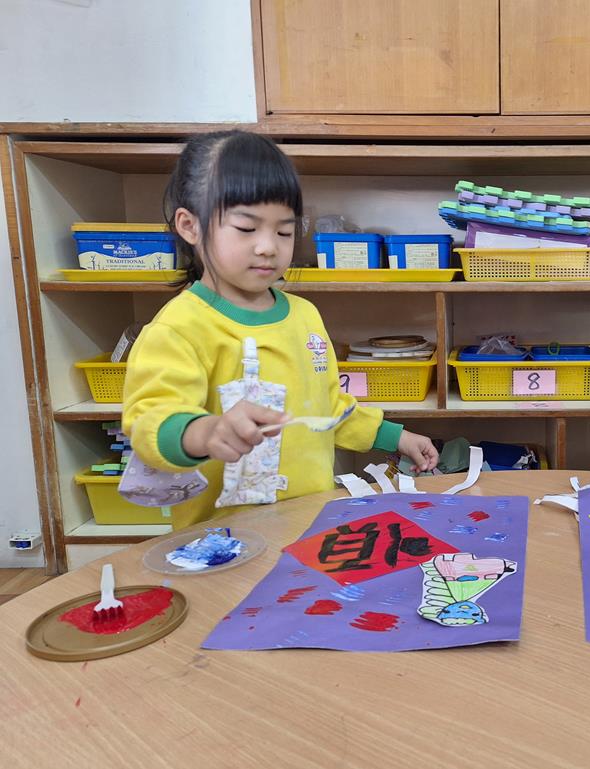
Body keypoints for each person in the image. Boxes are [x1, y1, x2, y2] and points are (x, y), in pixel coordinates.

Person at [122, 130, 437, 528]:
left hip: (310, 524)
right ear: (190, 226)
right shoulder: (178, 328)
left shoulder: (304, 316)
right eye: (246, 228)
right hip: (224, 539)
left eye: (284, 231)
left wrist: (396, 437)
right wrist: (205, 432)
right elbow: (150, 422)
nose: (268, 246)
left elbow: (328, 408)